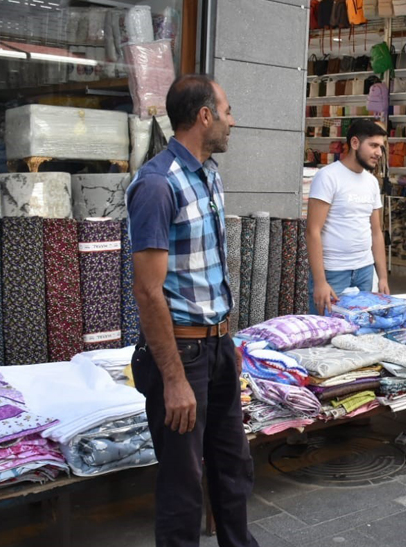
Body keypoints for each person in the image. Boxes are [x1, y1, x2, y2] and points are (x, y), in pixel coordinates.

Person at [126, 74, 259, 547]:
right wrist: (175, 379)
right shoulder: (159, 185)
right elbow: (147, 291)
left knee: (234, 467)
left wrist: (228, 341)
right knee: (184, 484)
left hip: (216, 347)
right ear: (204, 116)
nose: (232, 121)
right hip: (181, 355)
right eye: (226, 111)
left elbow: (211, 271)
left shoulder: (208, 175)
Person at [307, 119, 389, 315]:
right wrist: (320, 281)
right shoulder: (327, 176)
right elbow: (312, 231)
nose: (379, 152)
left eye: (381, 147)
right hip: (334, 272)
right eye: (373, 145)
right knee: (328, 333)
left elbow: (376, 232)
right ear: (354, 143)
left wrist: (383, 277)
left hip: (365, 269)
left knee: (361, 330)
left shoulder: (371, 182)